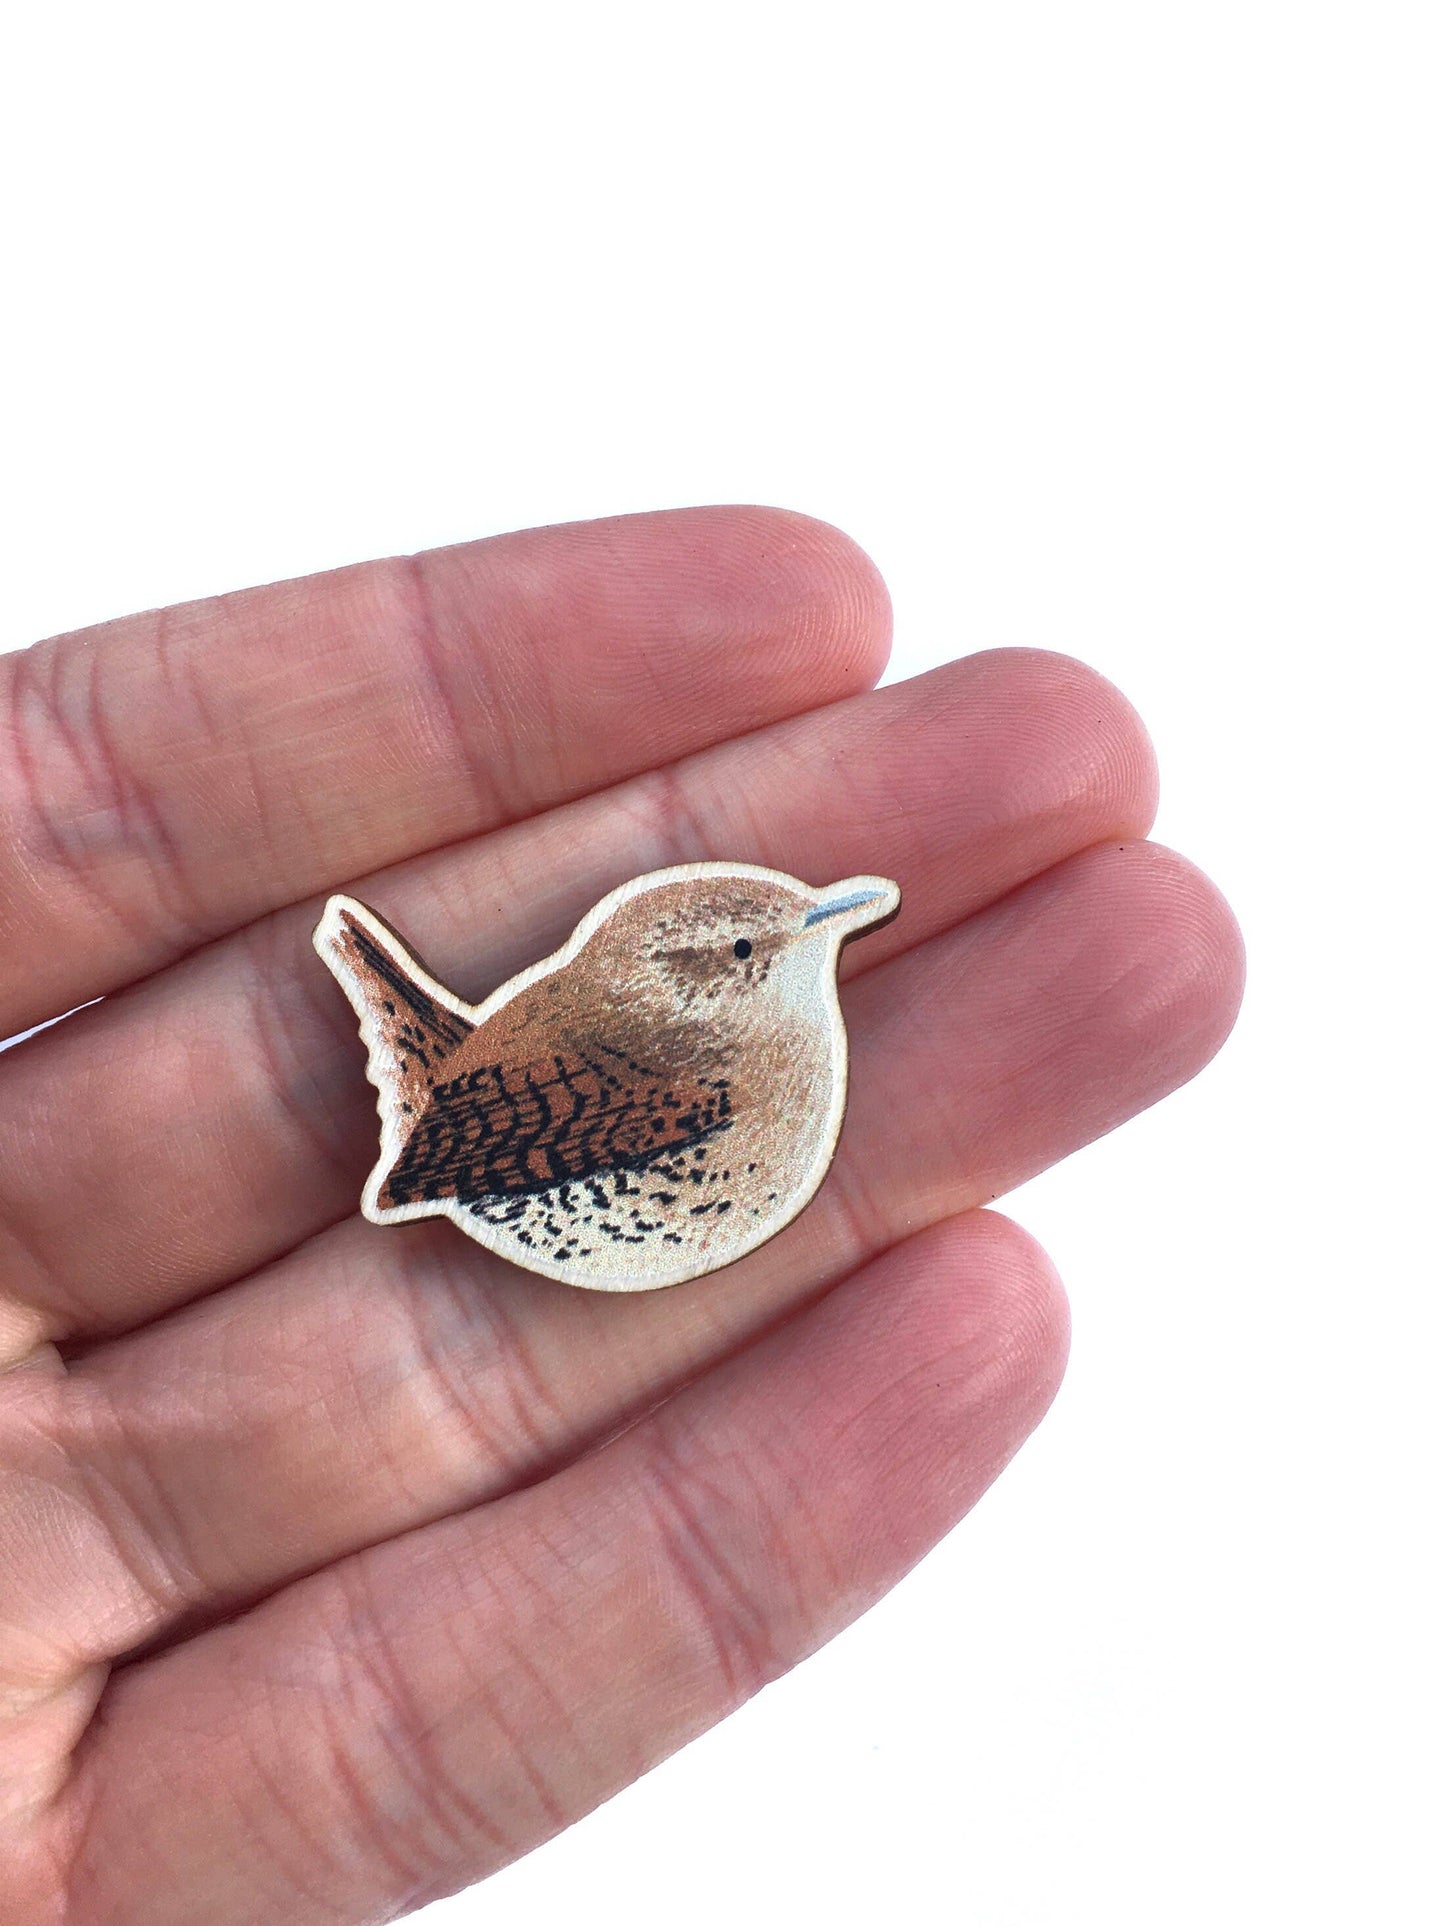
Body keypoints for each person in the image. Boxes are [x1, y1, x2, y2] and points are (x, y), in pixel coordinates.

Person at [0, 506, 1242, 1923]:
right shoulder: (694, 1069)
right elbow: (490, 1138)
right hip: (495, 1166)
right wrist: (434, 1147)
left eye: (792, 925)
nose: (813, 934)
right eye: (755, 943)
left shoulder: (764, 1046)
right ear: (703, 980)